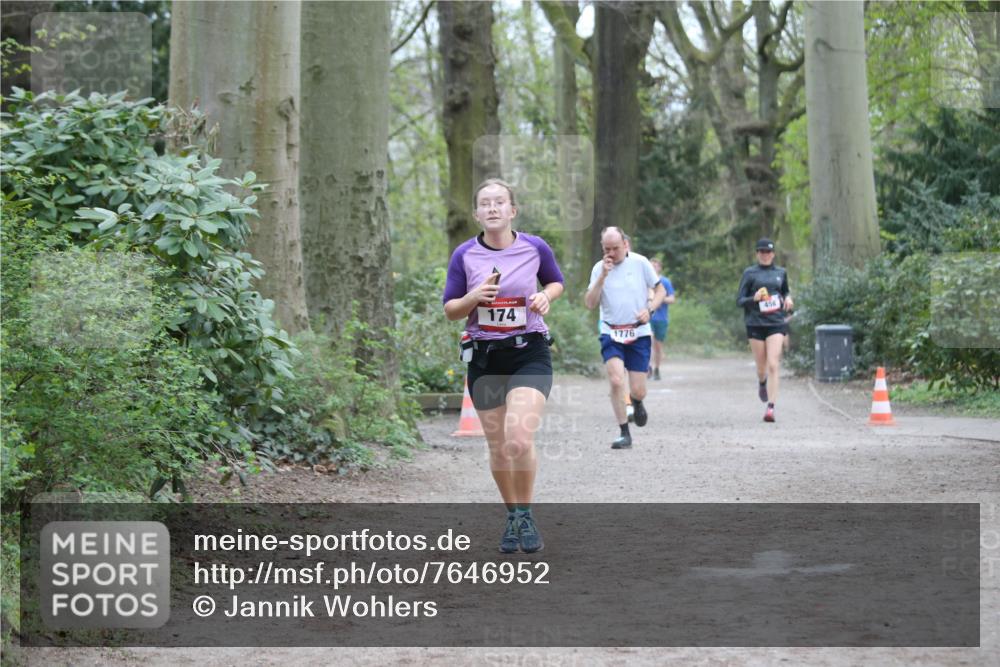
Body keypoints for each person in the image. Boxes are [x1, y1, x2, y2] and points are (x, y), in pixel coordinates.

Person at [443, 178, 564, 553]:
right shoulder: (465, 255)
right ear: (477, 214)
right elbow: (450, 309)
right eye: (485, 203)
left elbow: (556, 282)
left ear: (512, 211)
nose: (492, 208)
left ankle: (525, 513)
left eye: (500, 202)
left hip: (529, 351)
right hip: (485, 357)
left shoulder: (534, 247)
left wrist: (545, 296)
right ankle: (512, 515)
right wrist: (474, 297)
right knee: (498, 447)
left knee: (518, 439)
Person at [584, 226, 666, 449]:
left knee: (638, 388)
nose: (611, 253)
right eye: (606, 249)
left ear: (626, 245)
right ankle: (624, 433)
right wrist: (602, 277)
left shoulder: (640, 263)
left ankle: (637, 401)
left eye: (616, 248)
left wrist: (650, 310)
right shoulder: (599, 269)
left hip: (638, 333)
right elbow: (590, 303)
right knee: (616, 379)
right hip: (611, 332)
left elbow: (660, 291)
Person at [736, 237, 794, 422]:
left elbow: (785, 291)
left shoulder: (781, 272)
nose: (765, 255)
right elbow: (739, 300)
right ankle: (762, 382)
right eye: (762, 252)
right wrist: (754, 298)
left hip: (776, 322)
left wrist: (789, 298)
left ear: (773, 254)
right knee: (762, 368)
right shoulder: (750, 273)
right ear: (757, 254)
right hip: (755, 324)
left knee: (773, 364)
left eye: (768, 252)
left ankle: (771, 408)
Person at [648, 258, 676, 381]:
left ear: (660, 268)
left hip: (661, 318)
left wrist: (659, 298)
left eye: (655, 266)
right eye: (651, 266)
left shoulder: (665, 281)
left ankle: (657, 369)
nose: (653, 268)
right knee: (648, 342)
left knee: (658, 346)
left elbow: (672, 299)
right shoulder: (645, 281)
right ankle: (647, 368)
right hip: (647, 317)